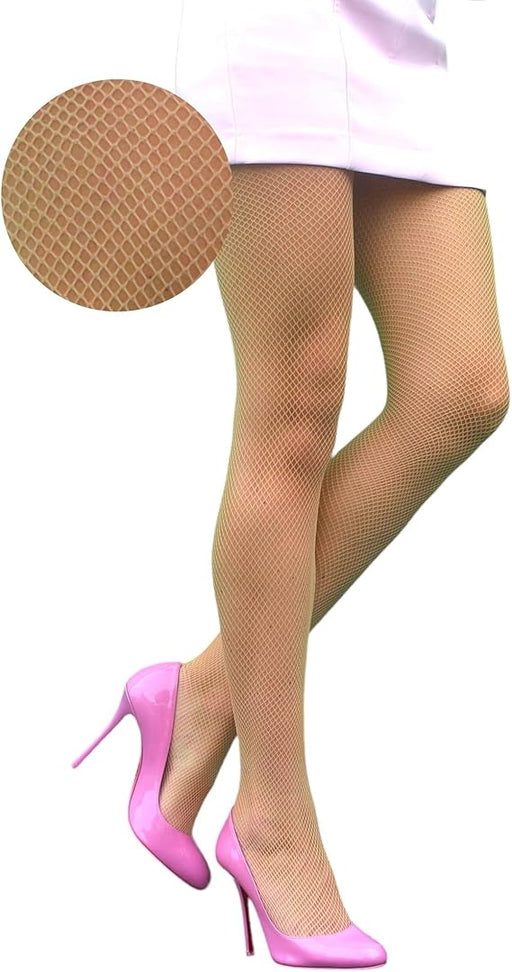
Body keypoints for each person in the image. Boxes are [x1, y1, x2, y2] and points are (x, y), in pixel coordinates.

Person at [73, 2, 509, 966]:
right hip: (278, 29)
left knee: (463, 387)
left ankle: (202, 692)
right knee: (294, 409)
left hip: (403, 29)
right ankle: (271, 818)